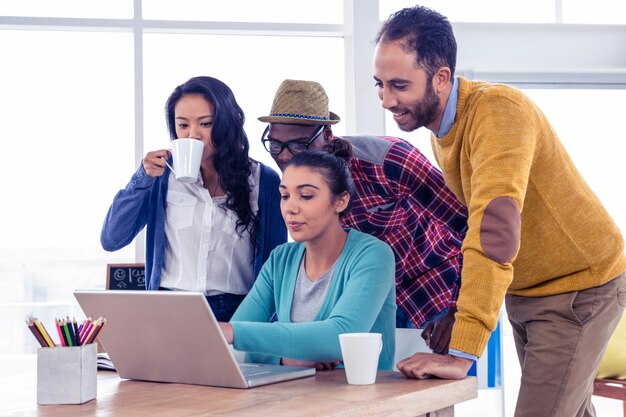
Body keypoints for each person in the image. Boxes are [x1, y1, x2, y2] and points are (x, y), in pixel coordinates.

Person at [374, 5, 626, 417]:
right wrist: (458, 310)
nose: (387, 99)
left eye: (399, 85)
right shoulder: (444, 129)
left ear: (441, 77)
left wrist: (462, 353)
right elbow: (469, 227)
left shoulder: (498, 111)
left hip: (580, 288)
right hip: (528, 290)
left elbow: (494, 228)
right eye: (379, 85)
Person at [257, 79, 468, 354]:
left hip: (431, 295)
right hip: (364, 306)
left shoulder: (389, 161)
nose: (285, 157)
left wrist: (460, 310)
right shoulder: (289, 189)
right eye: (275, 145)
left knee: (433, 394)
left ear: (328, 135)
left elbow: (470, 225)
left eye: (298, 145)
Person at [100, 76, 287, 321]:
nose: (192, 135)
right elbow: (112, 239)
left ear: (227, 124)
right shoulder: (160, 176)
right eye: (183, 125)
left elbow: (277, 268)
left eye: (206, 124)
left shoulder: (264, 180)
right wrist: (141, 179)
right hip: (168, 309)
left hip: (238, 313)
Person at [218, 139, 397, 370]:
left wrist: (233, 332)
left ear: (340, 201)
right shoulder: (280, 260)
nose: (291, 207)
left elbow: (341, 336)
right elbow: (240, 345)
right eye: (285, 196)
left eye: (306, 196)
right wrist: (283, 359)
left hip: (363, 399)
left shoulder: (372, 256)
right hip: (295, 398)